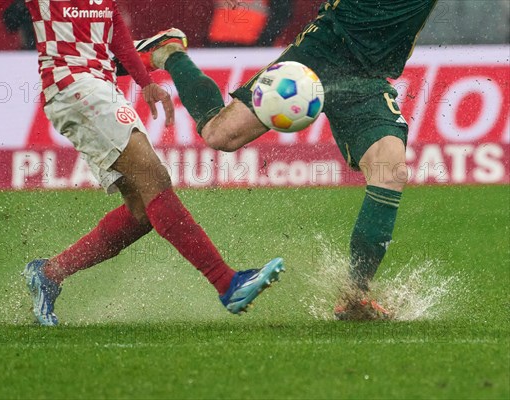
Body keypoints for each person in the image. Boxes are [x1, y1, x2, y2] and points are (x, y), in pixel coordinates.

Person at [0, 0, 284, 326]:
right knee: (154, 178)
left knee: (143, 211)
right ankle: (227, 283)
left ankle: (49, 274)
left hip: (102, 85)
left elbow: (113, 22)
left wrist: (144, 82)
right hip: (71, 86)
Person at [116, 0, 439, 320]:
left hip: (368, 79)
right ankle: (169, 52)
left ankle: (355, 294)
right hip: (317, 55)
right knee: (220, 135)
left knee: (390, 170)